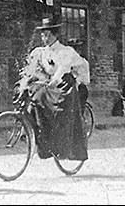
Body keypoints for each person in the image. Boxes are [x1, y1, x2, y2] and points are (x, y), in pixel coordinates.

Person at [19, 16, 88, 161]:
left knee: (59, 112)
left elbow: (62, 70)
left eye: (48, 35)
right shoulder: (40, 52)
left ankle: (60, 145)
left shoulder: (65, 51)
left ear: (55, 35)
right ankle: (35, 134)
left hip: (67, 84)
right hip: (50, 83)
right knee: (33, 95)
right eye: (43, 34)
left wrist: (53, 82)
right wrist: (26, 80)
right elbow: (32, 69)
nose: (44, 38)